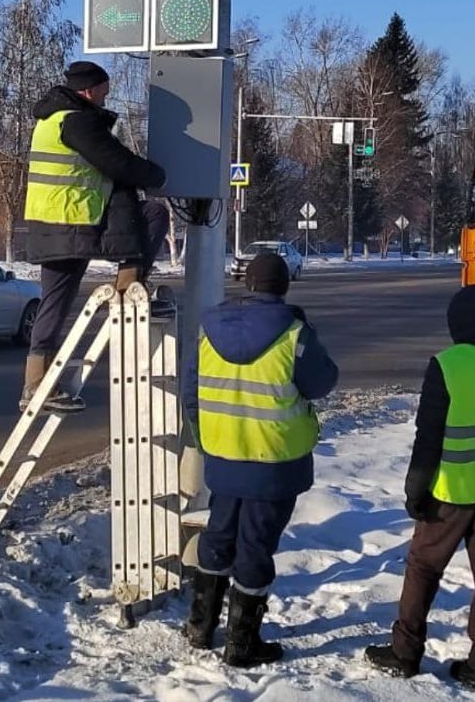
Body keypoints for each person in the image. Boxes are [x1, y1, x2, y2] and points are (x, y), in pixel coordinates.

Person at [365, 284, 475, 693]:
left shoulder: (448, 365)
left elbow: (429, 437)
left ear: (456, 321)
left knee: (424, 567)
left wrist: (415, 491)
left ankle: (405, 652)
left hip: (452, 489)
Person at [182, 252, 338, 667]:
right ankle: (241, 643)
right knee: (254, 547)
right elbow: (323, 382)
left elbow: (191, 396)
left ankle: (200, 627)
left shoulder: (208, 329)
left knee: (218, 536)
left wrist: (207, 441)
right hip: (274, 462)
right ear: (283, 286)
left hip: (224, 456)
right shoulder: (293, 333)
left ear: (248, 284)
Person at [21, 60, 169, 413]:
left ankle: (35, 383)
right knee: (154, 213)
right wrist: (159, 175)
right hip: (72, 220)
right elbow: (117, 162)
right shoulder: (77, 121)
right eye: (104, 89)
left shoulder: (52, 118)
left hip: (51, 222)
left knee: (54, 303)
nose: (107, 96)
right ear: (89, 90)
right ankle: (129, 286)